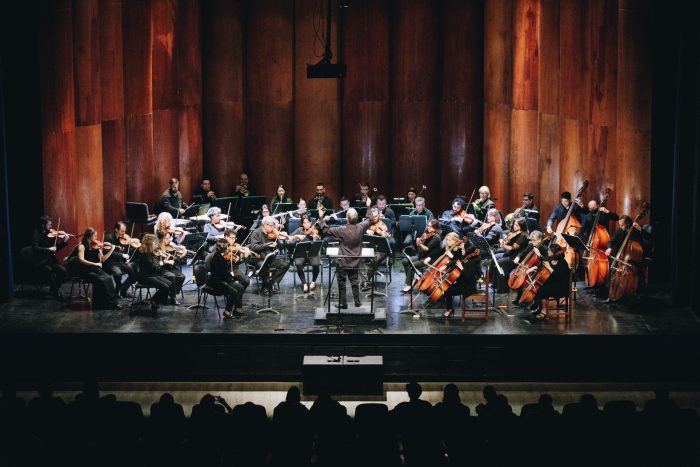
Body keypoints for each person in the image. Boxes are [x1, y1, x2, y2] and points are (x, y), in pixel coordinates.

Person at [318, 207, 371, 308]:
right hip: (355, 260)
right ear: (357, 218)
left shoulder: (342, 230)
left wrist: (321, 217)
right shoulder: (361, 227)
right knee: (354, 281)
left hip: (343, 261)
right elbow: (369, 220)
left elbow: (325, 230)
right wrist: (368, 207)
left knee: (341, 282)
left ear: (347, 218)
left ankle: (343, 303)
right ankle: (357, 302)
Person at [72, 227, 121, 310]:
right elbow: (81, 260)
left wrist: (111, 250)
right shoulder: (82, 246)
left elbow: (102, 259)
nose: (96, 238)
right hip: (85, 271)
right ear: (89, 236)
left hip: (95, 269)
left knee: (108, 278)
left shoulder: (96, 246)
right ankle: (103, 304)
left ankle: (109, 302)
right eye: (95, 236)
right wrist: (95, 263)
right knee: (101, 280)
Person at [435, 232, 481, 318]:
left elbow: (468, 277)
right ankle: (449, 308)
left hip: (468, 287)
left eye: (463, 249)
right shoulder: (466, 259)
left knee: (447, 291)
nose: (461, 250)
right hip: (462, 283)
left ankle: (449, 309)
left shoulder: (472, 262)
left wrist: (461, 268)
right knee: (446, 289)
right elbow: (457, 261)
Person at [134, 233, 178, 312]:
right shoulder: (145, 254)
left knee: (170, 284)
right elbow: (153, 267)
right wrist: (161, 263)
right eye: (154, 243)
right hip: (145, 277)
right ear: (149, 243)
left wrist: (161, 262)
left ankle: (153, 301)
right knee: (165, 287)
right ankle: (153, 301)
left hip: (152, 275)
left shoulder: (151, 253)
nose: (156, 245)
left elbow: (156, 268)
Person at [526, 243, 570, 319]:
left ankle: (544, 311)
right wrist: (532, 268)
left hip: (561, 287)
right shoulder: (550, 258)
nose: (548, 252)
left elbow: (558, 276)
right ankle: (539, 307)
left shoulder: (562, 263)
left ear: (555, 253)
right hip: (553, 283)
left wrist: (549, 267)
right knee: (538, 287)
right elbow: (543, 263)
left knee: (541, 290)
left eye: (550, 251)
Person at [248, 216, 290, 296]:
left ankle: (272, 282)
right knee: (264, 266)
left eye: (273, 225)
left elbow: (279, 246)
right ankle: (264, 286)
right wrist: (267, 245)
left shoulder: (272, 234)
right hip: (258, 258)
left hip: (269, 257)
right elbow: (254, 247)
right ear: (265, 225)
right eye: (271, 225)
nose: (273, 227)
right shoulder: (256, 232)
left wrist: (286, 243)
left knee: (285, 265)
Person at [32, 215, 69, 300]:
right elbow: (35, 248)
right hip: (41, 261)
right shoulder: (36, 233)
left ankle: (54, 288)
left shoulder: (50, 234)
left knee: (63, 271)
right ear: (43, 225)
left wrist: (64, 242)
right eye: (49, 224)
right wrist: (48, 249)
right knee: (49, 271)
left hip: (50, 260)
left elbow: (55, 249)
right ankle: (56, 294)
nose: (51, 227)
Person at [207, 239, 245, 318]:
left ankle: (237, 308)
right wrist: (230, 274)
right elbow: (220, 273)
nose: (229, 248)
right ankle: (227, 311)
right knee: (234, 292)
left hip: (224, 279)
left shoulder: (223, 255)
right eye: (227, 246)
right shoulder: (216, 257)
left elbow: (224, 270)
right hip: (217, 281)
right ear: (223, 247)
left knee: (240, 287)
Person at [488, 217, 529, 293]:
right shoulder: (515, 233)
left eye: (517, 225)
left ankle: (502, 288)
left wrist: (503, 244)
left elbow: (512, 248)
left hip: (516, 257)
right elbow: (508, 244)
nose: (514, 226)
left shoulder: (523, 236)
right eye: (514, 224)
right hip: (509, 254)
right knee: (494, 259)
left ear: (521, 226)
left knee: (500, 263)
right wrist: (505, 240)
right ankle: (493, 283)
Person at [402, 220, 442, 293]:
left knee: (411, 265)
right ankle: (412, 279)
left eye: (430, 226)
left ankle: (409, 284)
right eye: (428, 225)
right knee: (404, 261)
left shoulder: (436, 238)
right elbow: (420, 243)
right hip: (422, 256)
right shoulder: (428, 233)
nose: (428, 228)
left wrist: (420, 244)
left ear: (435, 228)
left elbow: (426, 249)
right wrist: (419, 240)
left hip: (430, 259)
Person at [362, 206, 394, 290]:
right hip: (368, 249)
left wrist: (383, 235)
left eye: (376, 216)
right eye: (373, 216)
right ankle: (365, 281)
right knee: (361, 258)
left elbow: (388, 239)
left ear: (379, 216)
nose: (374, 218)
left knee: (372, 259)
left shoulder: (382, 225)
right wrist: (365, 231)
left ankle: (365, 282)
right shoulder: (366, 224)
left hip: (380, 251)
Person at [288, 215, 321, 292]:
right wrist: (296, 236)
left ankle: (313, 282)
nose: (306, 224)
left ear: (310, 223)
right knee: (298, 264)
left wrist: (315, 238)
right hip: (301, 253)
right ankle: (304, 283)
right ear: (302, 224)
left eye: (308, 222)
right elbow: (289, 237)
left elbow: (318, 240)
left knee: (316, 264)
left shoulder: (314, 230)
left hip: (312, 253)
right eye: (304, 223)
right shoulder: (299, 230)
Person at [103, 221, 136, 298]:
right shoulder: (108, 238)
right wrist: (122, 255)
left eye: (124, 231)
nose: (124, 233)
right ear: (116, 230)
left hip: (121, 262)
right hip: (111, 262)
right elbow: (110, 253)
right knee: (118, 274)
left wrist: (133, 247)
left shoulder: (124, 239)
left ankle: (122, 290)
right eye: (122, 231)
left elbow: (127, 251)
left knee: (133, 272)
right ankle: (117, 291)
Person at [155, 230, 186, 300]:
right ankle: (173, 298)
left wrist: (182, 254)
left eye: (170, 237)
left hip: (171, 268)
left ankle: (172, 292)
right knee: (172, 277)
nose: (170, 240)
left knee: (182, 276)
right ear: (161, 239)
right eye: (167, 238)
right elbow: (156, 262)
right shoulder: (157, 248)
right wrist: (166, 261)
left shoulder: (171, 247)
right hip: (162, 269)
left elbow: (176, 259)